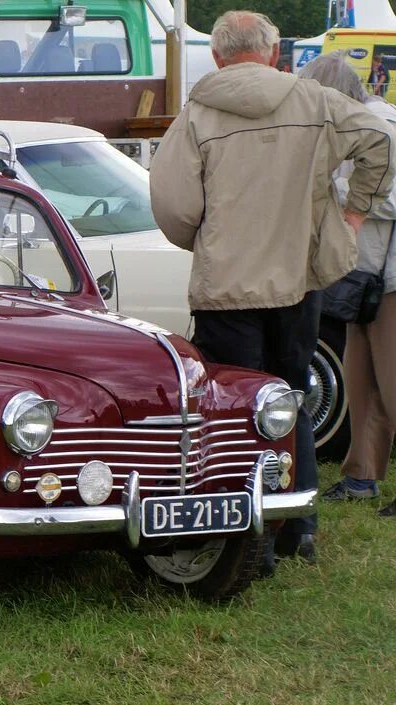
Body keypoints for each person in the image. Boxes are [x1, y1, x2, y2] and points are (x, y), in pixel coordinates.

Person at [149, 11, 395, 571]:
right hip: (296, 279)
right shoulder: (316, 101)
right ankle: (298, 527)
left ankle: (240, 530)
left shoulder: (197, 114)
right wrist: (353, 215)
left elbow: (172, 204)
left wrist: (205, 238)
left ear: (216, 57)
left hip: (226, 286)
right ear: (275, 52)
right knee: (293, 400)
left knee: (233, 412)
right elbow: (380, 141)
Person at [299, 52, 396, 510]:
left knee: (391, 382)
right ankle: (360, 476)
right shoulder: (352, 122)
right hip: (365, 275)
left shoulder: (382, 126)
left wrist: (335, 192)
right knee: (362, 382)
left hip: (390, 278)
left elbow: (387, 199)